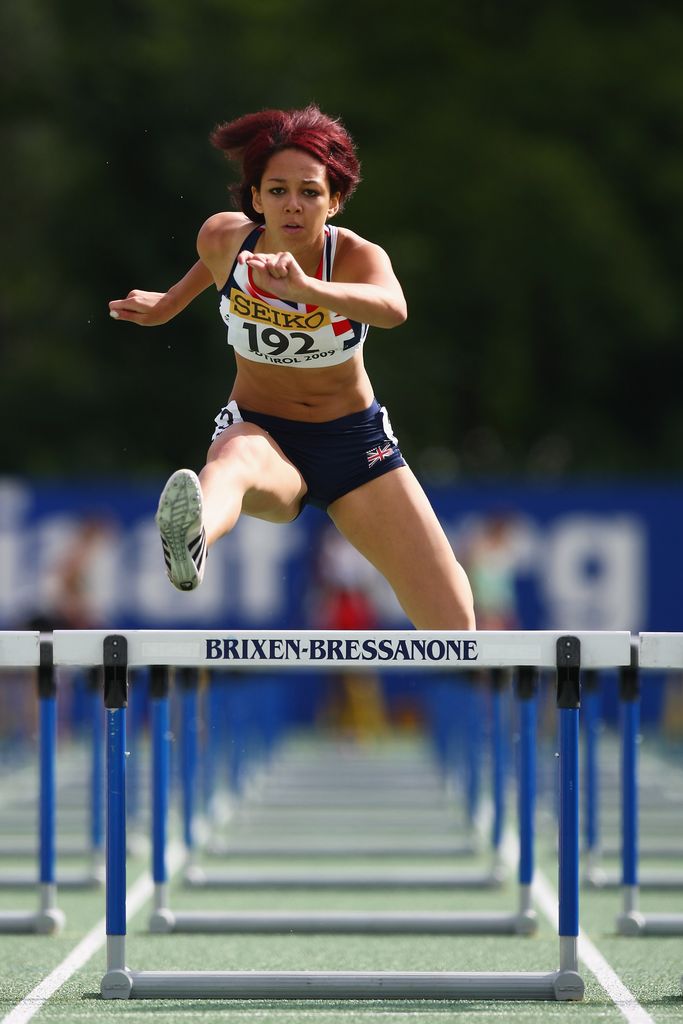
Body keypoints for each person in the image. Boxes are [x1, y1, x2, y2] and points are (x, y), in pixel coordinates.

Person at [109, 105, 475, 631]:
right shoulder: (224, 240)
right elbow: (210, 270)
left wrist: (308, 291)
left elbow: (394, 309)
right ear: (256, 198)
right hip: (265, 433)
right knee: (232, 461)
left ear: (335, 200)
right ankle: (193, 538)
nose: (293, 206)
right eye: (277, 191)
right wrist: (168, 304)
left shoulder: (354, 258)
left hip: (356, 448)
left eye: (310, 192)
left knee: (455, 628)